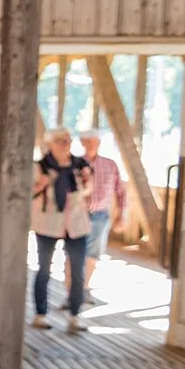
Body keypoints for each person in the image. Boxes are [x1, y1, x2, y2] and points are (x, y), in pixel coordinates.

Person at [31, 128, 93, 332]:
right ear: (50, 144)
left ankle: (75, 315)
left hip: (75, 224)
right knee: (44, 269)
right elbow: (27, 192)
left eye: (67, 140)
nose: (65, 144)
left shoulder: (80, 166)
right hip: (48, 224)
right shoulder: (40, 167)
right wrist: (41, 185)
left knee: (77, 270)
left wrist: (87, 181)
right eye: (59, 141)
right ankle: (40, 313)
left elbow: (89, 190)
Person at [79, 131, 127, 287]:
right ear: (82, 143)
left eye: (95, 142)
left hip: (100, 215)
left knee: (93, 253)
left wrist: (122, 214)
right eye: (89, 141)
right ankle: (73, 290)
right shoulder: (75, 163)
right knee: (75, 252)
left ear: (99, 143)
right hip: (78, 215)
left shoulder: (110, 164)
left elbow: (120, 191)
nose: (92, 145)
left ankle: (85, 287)